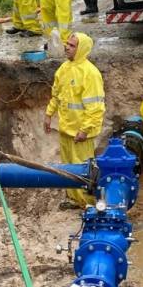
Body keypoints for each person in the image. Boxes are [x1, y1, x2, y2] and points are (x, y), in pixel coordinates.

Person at [44, 32, 105, 209]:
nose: (66, 47)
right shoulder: (63, 69)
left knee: (83, 169)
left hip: (81, 133)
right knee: (68, 167)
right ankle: (73, 199)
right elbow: (56, 95)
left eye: (72, 45)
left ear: (81, 49)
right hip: (66, 130)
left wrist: (85, 130)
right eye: (67, 44)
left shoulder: (90, 73)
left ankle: (88, 203)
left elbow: (95, 108)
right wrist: (49, 115)